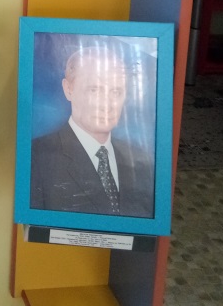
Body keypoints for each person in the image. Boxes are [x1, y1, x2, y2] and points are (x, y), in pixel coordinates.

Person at [30, 44, 154, 217]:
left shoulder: (140, 160)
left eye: (116, 92)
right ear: (68, 89)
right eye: (94, 90)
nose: (106, 104)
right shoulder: (36, 158)